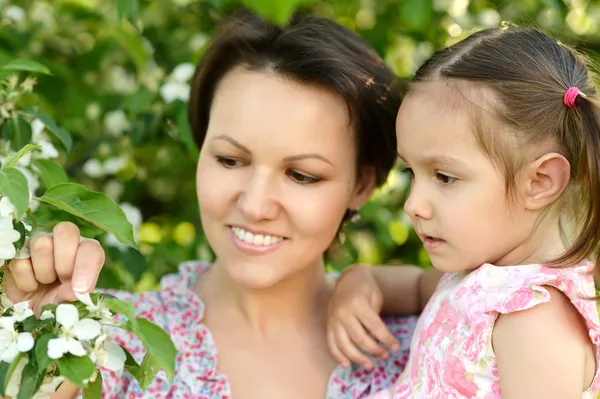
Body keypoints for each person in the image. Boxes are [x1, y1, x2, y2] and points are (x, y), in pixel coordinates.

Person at [1, 10, 436, 399]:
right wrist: (36, 345)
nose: (255, 204)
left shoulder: (429, 343)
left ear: (362, 185)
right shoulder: (111, 343)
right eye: (230, 160)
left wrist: (370, 280)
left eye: (301, 174)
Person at [327, 25, 600, 398]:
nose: (413, 205)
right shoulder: (481, 278)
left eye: (444, 176)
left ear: (539, 181)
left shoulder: (535, 319)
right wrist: (358, 283)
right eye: (412, 172)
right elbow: (413, 287)